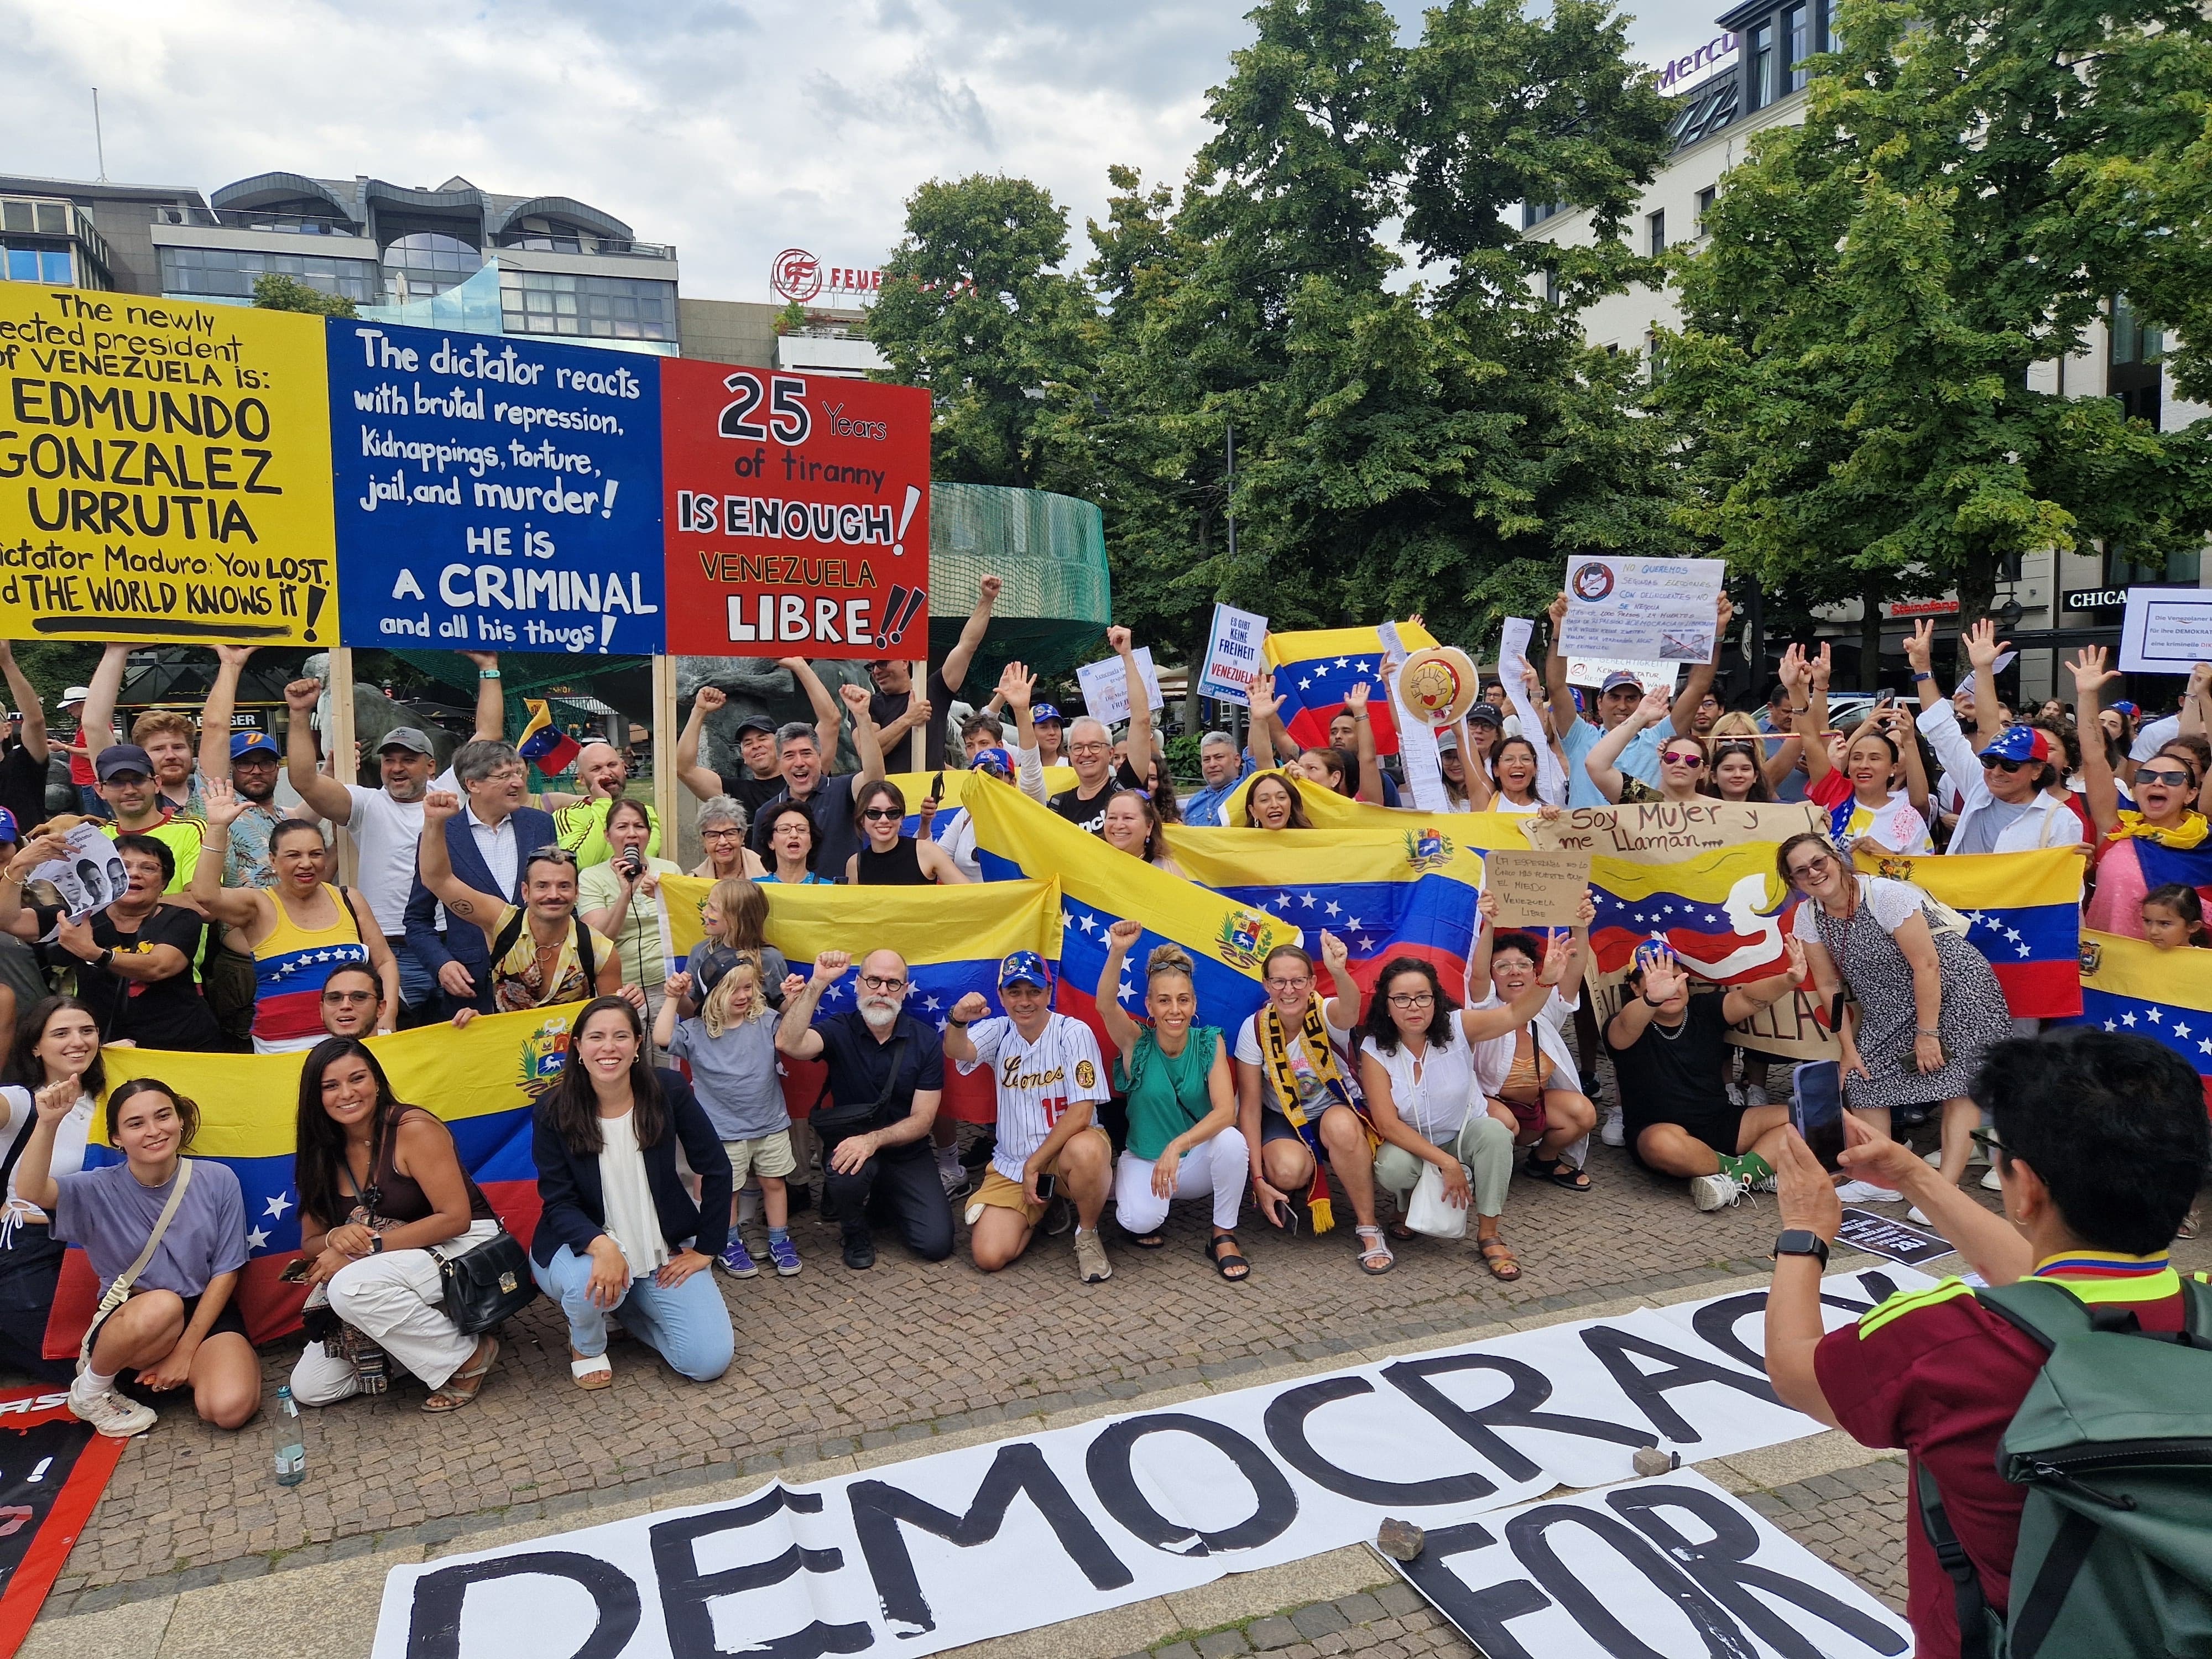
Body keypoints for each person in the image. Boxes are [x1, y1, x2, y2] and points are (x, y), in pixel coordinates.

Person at [1765, 1030, 2211, 1659]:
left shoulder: (1946, 1338)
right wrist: (1914, 1176)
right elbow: (2052, 1285)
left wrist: (1804, 1233)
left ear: (2023, 1186)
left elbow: (1794, 1370)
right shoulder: (2200, 1309)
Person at [1780, 831, 2014, 1214]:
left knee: (1959, 1084)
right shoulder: (1808, 916)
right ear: (1795, 882)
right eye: (1802, 871)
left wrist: (1927, 1034)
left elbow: (1927, 965)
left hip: (1956, 988)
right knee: (1861, 1076)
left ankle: (1945, 1193)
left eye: (1818, 862)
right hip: (1890, 1002)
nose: (1814, 874)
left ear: (1836, 860)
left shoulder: (1886, 896)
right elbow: (1827, 984)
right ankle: (1882, 1180)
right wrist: (1848, 1049)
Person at [17, 1077, 256, 1437]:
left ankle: (184, 1373)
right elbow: (32, 1191)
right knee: (164, 1304)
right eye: (135, 1124)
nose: (153, 1131)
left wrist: (185, 1352)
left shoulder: (218, 1179)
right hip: (135, 1321)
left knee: (229, 1409)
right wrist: (48, 1122)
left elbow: (226, 1271)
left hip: (203, 1314)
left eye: (163, 1116)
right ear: (116, 1137)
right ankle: (94, 1390)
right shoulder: (97, 1187)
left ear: (181, 1121)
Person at [285, 659, 505, 1027]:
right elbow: (304, 780)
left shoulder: (450, 792)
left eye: (408, 760)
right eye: (389, 761)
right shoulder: (364, 804)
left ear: (432, 767)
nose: (397, 768)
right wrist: (298, 715)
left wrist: (488, 666)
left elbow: (488, 733)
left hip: (452, 941)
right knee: (394, 1045)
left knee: (463, 1043)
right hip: (390, 949)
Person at [288, 1039, 504, 1412]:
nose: (347, 1094)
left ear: (376, 1080)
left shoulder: (412, 1128)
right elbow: (311, 1242)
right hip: (392, 1265)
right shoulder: (319, 1151)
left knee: (350, 1288)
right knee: (312, 1388)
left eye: (357, 1079)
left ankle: (468, 1356)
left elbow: (456, 1218)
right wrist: (337, 1236)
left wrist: (363, 1252)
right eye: (331, 1086)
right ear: (315, 1096)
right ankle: (443, 1330)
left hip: (466, 1247)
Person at [530, 997, 733, 1389]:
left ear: (638, 1044)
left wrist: (708, 1248)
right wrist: (602, 1246)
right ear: (578, 1047)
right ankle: (588, 1344)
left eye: (621, 1036)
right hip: (579, 1247)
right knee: (584, 1285)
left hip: (659, 1246)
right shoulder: (553, 1109)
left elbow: (717, 1167)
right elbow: (558, 1199)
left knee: (708, 1361)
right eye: (597, 1037)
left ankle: (625, 1310)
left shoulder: (668, 1090)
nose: (609, 1047)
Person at [1359, 953, 1568, 1282]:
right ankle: (1407, 1205)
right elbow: (1387, 1124)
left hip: (1462, 1132)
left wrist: (1547, 980)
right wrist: (1448, 1164)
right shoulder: (1375, 1049)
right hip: (1411, 1142)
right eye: (1401, 999)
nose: (1414, 1007)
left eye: (1423, 997)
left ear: (1435, 999)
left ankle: (1489, 1234)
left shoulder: (1458, 1026)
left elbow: (1515, 1013)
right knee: (1393, 1167)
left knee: (1496, 1134)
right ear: (1387, 1004)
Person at [1603, 936, 1811, 1211]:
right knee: (1663, 1145)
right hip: (1660, 1131)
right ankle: (1756, 1168)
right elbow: (1627, 1025)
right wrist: (1652, 999)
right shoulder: (1624, 1024)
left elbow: (1748, 999)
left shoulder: (1703, 1011)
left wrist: (1789, 980)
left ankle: (1738, 1177)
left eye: (1676, 979)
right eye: (1656, 980)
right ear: (1635, 987)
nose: (1670, 988)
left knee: (1808, 1116)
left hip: (1721, 1120)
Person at [775, 950, 953, 1269]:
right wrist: (817, 983)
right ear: (858, 984)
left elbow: (924, 1120)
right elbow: (788, 1044)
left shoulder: (925, 1040)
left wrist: (874, 1140)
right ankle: (854, 1231)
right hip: (850, 1146)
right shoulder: (839, 1028)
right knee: (846, 1175)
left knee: (936, 1244)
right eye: (874, 981)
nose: (883, 991)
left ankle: (885, 1199)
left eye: (893, 983)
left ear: (904, 988)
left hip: (906, 1151)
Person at [943, 952, 1114, 1281]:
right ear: (1002, 996)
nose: (1025, 1001)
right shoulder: (998, 1031)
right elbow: (956, 1051)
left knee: (1088, 1150)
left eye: (1034, 991)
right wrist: (958, 1020)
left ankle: (1088, 1234)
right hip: (1014, 1165)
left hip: (1064, 1157)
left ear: (1049, 993)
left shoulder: (1073, 1032)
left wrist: (1036, 1164)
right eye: (1015, 992)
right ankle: (1043, 1208)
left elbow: (1082, 1113)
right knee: (988, 1256)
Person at [192, 784, 398, 1053]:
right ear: (273, 860)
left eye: (315, 854)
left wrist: (388, 1015)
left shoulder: (349, 899)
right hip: (282, 1047)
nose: (306, 863)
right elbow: (205, 895)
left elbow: (383, 960)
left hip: (356, 1044)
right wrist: (218, 828)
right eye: (293, 855)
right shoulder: (258, 904)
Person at [1095, 922, 1249, 1279]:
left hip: (1193, 1162)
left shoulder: (1210, 1041)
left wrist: (1177, 1145)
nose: (1174, 1010)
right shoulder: (1137, 1043)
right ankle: (1134, 1196)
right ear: (1150, 1004)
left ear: (1194, 1003)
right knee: (1137, 1221)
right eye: (1164, 1000)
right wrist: (1118, 950)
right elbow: (1105, 1005)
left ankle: (1223, 1234)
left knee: (1231, 1141)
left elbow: (1226, 1112)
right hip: (1147, 1160)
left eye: (1183, 1000)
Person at [1233, 935, 1386, 1270]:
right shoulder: (1254, 1029)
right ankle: (1299, 1180)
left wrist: (1339, 971)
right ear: (1266, 985)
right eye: (1279, 981)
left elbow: (1349, 1011)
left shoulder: (1325, 1011)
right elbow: (1251, 1107)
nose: (1289, 990)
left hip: (1331, 1110)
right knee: (1286, 1172)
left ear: (1312, 982)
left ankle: (1368, 1226)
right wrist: (1257, 1179)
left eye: (1298, 981)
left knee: (1343, 1129)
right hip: (1282, 1117)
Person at [654, 951, 800, 1279]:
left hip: (771, 1124)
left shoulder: (765, 1021)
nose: (744, 996)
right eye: (734, 989)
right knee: (726, 1191)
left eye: (749, 987)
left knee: (774, 1183)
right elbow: (662, 1037)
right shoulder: (696, 1030)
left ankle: (780, 1238)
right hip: (721, 1131)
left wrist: (793, 999)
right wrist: (672, 998)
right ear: (713, 993)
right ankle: (727, 1241)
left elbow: (789, 1028)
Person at [0, 832, 218, 1051]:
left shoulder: (181, 918)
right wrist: (18, 865)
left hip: (178, 1046)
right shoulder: (79, 916)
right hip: (105, 1047)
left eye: (148, 868)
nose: (134, 873)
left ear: (164, 883)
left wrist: (94, 953)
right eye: (123, 865)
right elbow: (8, 920)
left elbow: (159, 966)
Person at [417, 794, 626, 1020]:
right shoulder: (503, 923)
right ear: (525, 892)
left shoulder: (599, 950)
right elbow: (437, 880)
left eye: (564, 886)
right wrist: (434, 823)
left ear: (577, 893)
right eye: (543, 886)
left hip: (570, 1052)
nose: (553, 895)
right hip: (509, 1048)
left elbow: (612, 1021)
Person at [403, 739, 559, 1019]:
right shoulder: (441, 835)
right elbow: (417, 920)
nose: (517, 783)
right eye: (504, 776)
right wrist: (442, 965)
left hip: (542, 984)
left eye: (518, 774)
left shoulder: (541, 824)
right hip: (473, 991)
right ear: (472, 784)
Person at [2072, 645, 2211, 940]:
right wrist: (2086, 696)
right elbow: (2095, 757)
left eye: (2172, 778)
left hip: (2178, 976)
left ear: (2190, 794)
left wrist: (2204, 697)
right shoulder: (2115, 828)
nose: (2158, 783)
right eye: (2147, 775)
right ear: (2135, 788)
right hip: (2108, 972)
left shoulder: (2206, 844)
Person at [1907, 621, 2083, 853]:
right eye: (1990, 761)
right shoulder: (1977, 784)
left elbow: (2061, 888)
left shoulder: (2062, 822)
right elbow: (1942, 730)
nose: (1996, 772)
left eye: (2010, 765)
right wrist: (1922, 669)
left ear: (2037, 770)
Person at [1545, 591, 1730, 808]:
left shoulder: (1660, 738)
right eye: (1615, 697)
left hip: (1642, 838)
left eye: (1632, 698)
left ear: (1642, 702)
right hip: (1588, 839)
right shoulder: (1580, 736)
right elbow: (1557, 687)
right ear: (1599, 703)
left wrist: (1716, 634)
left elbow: (1698, 689)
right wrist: (1559, 633)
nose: (1622, 705)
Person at [0, 998, 103, 1382]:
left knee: (119, 1350)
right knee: (79, 1366)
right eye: (61, 1034)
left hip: (98, 1245)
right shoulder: (20, 1100)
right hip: (30, 1246)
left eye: (87, 1031)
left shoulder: (113, 1099)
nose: (77, 1041)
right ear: (35, 1047)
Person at [1467, 894, 1600, 1191]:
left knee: (1583, 1113)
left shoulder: (1547, 1006)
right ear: (1493, 975)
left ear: (1536, 972)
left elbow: (1575, 967)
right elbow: (1477, 975)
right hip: (1490, 1110)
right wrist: (1489, 924)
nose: (1514, 971)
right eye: (1502, 966)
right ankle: (1474, 1169)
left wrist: (1581, 924)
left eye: (1523, 965)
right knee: (1503, 1124)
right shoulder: (1485, 1009)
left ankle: (1543, 1160)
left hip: (1534, 1108)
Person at [743, 681, 888, 879]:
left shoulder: (843, 790)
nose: (799, 762)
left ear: (819, 756)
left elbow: (875, 780)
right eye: (789, 756)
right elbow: (761, 870)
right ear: (779, 762)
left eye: (806, 753)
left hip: (842, 901)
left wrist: (862, 718)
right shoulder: (766, 813)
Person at [675, 661, 842, 821]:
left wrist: (799, 666)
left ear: (779, 747)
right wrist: (699, 711)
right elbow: (685, 769)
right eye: (748, 743)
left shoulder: (805, 776)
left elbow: (831, 720)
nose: (756, 746)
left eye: (762, 738)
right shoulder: (737, 794)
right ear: (744, 757)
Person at [868, 575, 1001, 769]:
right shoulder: (869, 706)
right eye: (870, 667)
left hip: (933, 797)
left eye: (882, 663)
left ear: (905, 662)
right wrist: (908, 719)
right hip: (888, 798)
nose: (876, 671)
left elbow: (967, 646)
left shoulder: (934, 690)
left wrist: (986, 599)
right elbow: (868, 752)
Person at [578, 799, 685, 1021]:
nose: (632, 834)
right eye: (622, 827)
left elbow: (685, 926)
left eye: (639, 826)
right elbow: (599, 940)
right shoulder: (591, 877)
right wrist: (625, 894)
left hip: (671, 985)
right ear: (607, 835)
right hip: (624, 989)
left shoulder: (670, 870)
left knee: (669, 1054)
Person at [1047, 645, 1152, 834]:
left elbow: (1142, 721)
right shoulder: (1057, 805)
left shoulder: (1126, 788)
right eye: (1078, 747)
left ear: (1110, 753)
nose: (1086, 753)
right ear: (1070, 755)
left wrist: (1127, 656)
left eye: (1095, 746)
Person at [92, 744, 205, 891]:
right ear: (100, 790)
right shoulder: (95, 838)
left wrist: (132, 906)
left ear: (157, 783)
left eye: (138, 780)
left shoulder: (191, 830)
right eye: (117, 783)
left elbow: (201, 903)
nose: (130, 790)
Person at [1583, 686, 1712, 804]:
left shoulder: (1718, 809)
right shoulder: (1648, 800)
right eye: (1671, 758)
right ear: (1661, 762)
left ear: (1704, 771)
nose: (1680, 765)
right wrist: (1640, 716)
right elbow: (1596, 764)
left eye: (1692, 761)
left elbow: (1700, 686)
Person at [846, 780, 969, 885]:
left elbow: (972, 896)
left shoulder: (927, 852)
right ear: (861, 819)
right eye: (874, 813)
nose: (884, 820)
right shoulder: (855, 864)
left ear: (902, 817)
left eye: (893, 813)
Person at [0, 643, 51, 839]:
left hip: (31, 861)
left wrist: (7, 663)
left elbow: (35, 721)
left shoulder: (21, 763)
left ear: (6, 729)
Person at [1183, 732, 1256, 828]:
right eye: (1207, 759)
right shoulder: (1194, 802)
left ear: (1237, 760)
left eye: (1219, 757)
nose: (1212, 764)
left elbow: (1256, 753)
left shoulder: (1247, 786)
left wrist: (1256, 719)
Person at [1100, 789, 1181, 875]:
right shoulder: (1092, 862)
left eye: (1128, 818)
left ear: (1149, 826)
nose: (1118, 825)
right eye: (1112, 818)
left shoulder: (1168, 872)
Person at [689, 797, 768, 883]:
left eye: (730, 833)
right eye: (713, 836)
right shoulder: (694, 881)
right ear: (703, 841)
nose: (723, 842)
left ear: (742, 836)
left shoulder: (768, 874)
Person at [757, 800, 833, 885]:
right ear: (771, 842)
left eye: (802, 830)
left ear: (811, 842)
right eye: (785, 829)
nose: (794, 835)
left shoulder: (831, 890)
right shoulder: (756, 889)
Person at [2141, 881, 2211, 950]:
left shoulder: (2202, 960)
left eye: (2164, 924)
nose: (2153, 931)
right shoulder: (2137, 954)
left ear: (2192, 926)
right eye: (2147, 921)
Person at [1241, 771, 1313, 831]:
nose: (1274, 805)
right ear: (1253, 811)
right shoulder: (1240, 847)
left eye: (1281, 797)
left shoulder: (1314, 843)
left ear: (1291, 805)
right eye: (1264, 800)